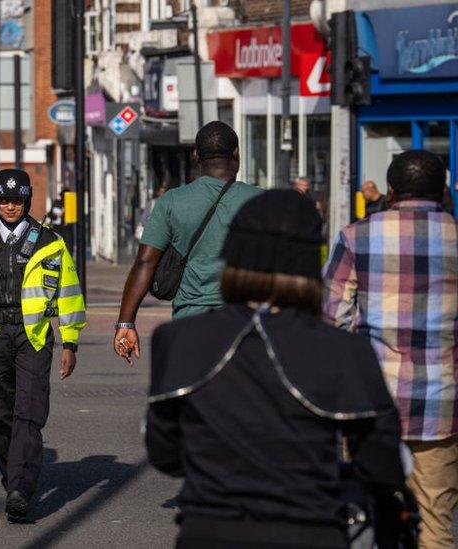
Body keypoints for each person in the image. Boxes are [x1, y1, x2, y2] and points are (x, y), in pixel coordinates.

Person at [149, 190, 406, 548]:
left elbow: (165, 453)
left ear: (233, 256)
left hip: (209, 530)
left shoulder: (178, 339)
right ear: (309, 263)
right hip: (310, 530)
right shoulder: (345, 350)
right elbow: (382, 463)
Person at [325, 150, 458, 549]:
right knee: (437, 523)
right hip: (442, 405)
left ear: (392, 191)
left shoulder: (356, 236)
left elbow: (332, 319)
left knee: (369, 515)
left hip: (371, 404)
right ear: (444, 191)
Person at [0, 169, 86, 522]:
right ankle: (13, 473)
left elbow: (69, 293)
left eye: (17, 200)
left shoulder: (50, 242)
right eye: (4, 200)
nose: (11, 206)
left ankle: (20, 489)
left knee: (29, 410)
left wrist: (70, 340)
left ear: (27, 201)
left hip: (33, 337)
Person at [113, 121, 262, 365]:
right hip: (244, 323)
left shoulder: (171, 202)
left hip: (190, 324)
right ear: (236, 154)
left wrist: (126, 323)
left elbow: (145, 263)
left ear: (195, 156)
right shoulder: (259, 201)